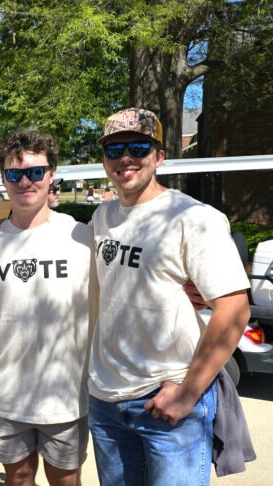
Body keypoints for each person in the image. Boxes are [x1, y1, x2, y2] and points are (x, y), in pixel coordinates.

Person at [88, 107, 251, 485]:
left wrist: (186, 394)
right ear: (103, 159)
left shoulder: (194, 218)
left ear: (159, 156)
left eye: (138, 147)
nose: (125, 158)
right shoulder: (102, 217)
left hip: (167, 399)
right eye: (114, 150)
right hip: (106, 401)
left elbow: (235, 310)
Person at [0, 131, 94, 486]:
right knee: (19, 479)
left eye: (36, 172)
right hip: (7, 390)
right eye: (14, 174)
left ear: (52, 174)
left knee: (66, 481)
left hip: (65, 395)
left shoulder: (83, 236)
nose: (25, 181)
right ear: (3, 180)